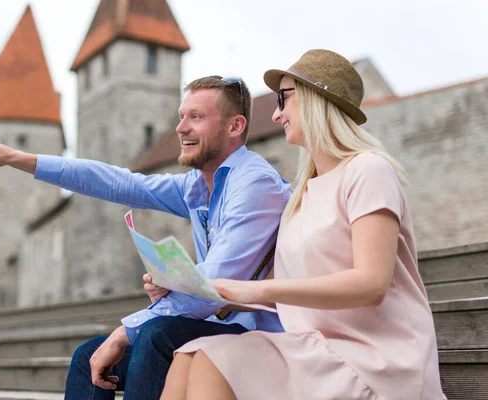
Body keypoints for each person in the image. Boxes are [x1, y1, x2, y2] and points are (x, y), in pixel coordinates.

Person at [0, 75, 292, 400]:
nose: (180, 127)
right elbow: (119, 183)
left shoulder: (254, 184)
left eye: (196, 117)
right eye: (181, 116)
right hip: (218, 325)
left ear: (235, 126)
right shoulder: (196, 186)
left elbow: (216, 284)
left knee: (155, 334)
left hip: (256, 334)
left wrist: (125, 331)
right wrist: (15, 158)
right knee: (91, 357)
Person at [162, 50, 446, 400]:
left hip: (376, 361)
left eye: (284, 98)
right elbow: (296, 293)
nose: (277, 113)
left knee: (210, 359)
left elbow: (371, 284)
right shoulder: (301, 196)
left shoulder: (368, 170)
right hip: (314, 350)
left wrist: (257, 291)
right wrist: (216, 294)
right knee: (189, 355)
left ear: (316, 98)